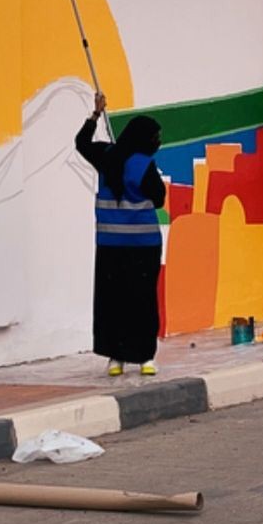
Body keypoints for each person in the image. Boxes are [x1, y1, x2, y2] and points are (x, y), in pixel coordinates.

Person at [75, 92, 166, 376]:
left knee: (112, 301)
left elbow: (81, 143)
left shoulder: (105, 156)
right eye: (156, 137)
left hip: (110, 245)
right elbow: (159, 198)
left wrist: (95, 114)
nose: (158, 142)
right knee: (142, 300)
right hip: (143, 245)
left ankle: (116, 358)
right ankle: (145, 358)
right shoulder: (145, 165)